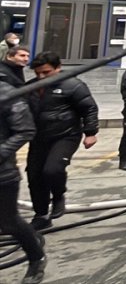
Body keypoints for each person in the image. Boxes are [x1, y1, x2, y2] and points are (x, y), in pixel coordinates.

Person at [25, 51, 99, 230]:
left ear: (58, 68)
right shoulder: (30, 87)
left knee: (52, 170)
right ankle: (41, 214)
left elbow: (89, 108)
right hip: (39, 138)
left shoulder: (73, 85)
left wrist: (90, 132)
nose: (41, 76)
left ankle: (58, 195)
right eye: (38, 73)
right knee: (34, 176)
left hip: (66, 135)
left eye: (46, 72)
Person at [0, 78, 47, 283]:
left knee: (8, 222)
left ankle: (37, 258)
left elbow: (26, 130)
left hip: (2, 172)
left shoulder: (6, 93)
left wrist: (1, 152)